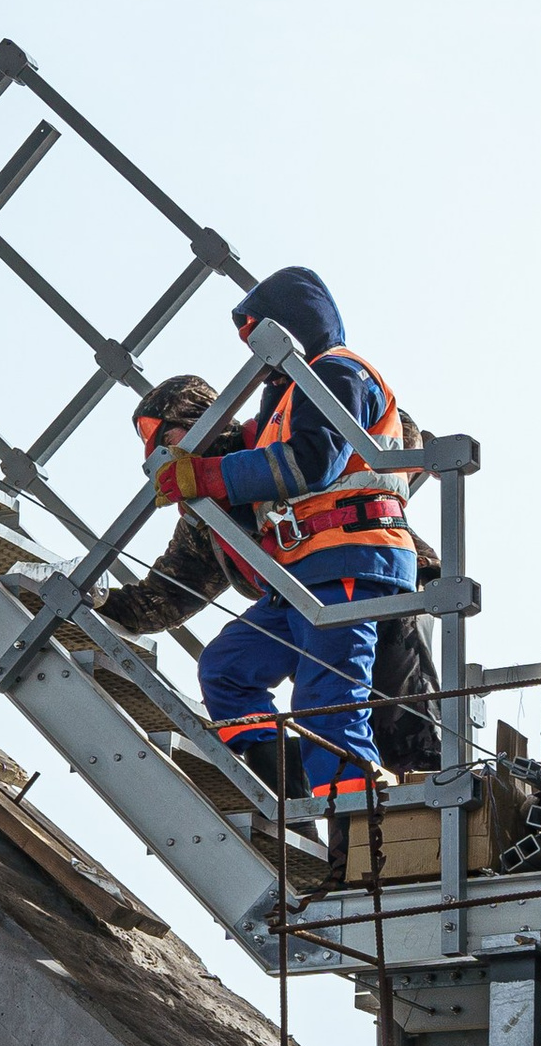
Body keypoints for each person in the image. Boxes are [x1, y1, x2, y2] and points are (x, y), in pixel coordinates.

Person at [147, 267, 420, 804]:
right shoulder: (290, 398)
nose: (255, 350)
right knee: (227, 669)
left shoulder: (338, 373)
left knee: (328, 699)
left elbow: (314, 461)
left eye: (258, 333)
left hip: (348, 559)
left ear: (291, 323)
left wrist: (206, 477)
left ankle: (359, 841)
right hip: (301, 572)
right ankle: (285, 782)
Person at [106, 370, 447, 773]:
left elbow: (370, 422)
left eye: (165, 438)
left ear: (203, 420)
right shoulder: (206, 520)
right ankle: (288, 793)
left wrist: (423, 449)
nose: (157, 455)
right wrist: (97, 598)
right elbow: (163, 598)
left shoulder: (275, 439)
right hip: (297, 600)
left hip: (377, 577)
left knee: (405, 736)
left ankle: (431, 815)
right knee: (226, 672)